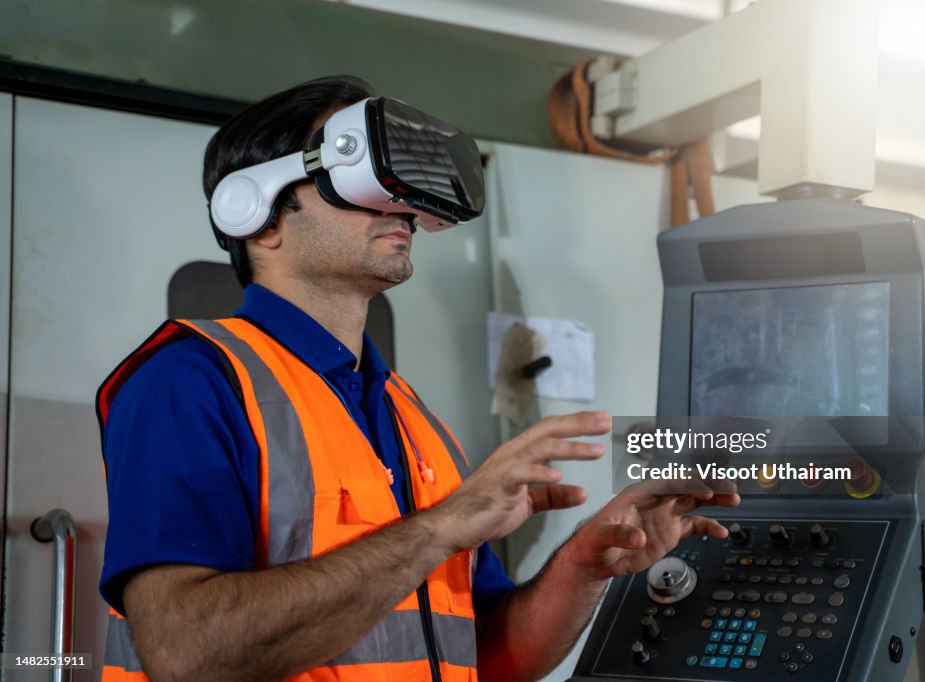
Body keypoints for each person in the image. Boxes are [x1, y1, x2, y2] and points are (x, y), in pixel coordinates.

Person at [97, 75, 740, 682]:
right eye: (357, 176)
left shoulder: (410, 417)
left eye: (402, 183)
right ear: (257, 213)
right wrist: (443, 525)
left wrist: (583, 566)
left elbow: (490, 658)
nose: (400, 203)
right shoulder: (190, 379)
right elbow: (186, 653)